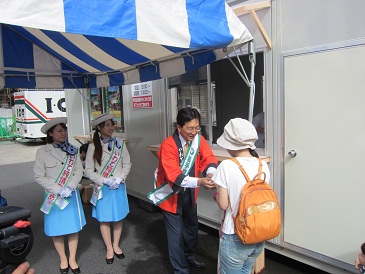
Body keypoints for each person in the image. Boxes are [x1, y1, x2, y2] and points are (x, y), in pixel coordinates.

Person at [153, 107, 218, 274]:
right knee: (175, 234)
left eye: (197, 128)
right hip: (171, 194)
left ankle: (189, 257)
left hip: (190, 192)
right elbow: (174, 176)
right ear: (178, 127)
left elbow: (209, 158)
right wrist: (201, 181)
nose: (194, 132)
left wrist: (210, 174)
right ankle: (180, 269)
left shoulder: (199, 139)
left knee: (191, 226)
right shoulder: (168, 145)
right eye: (190, 128)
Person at [212, 118, 270, 274]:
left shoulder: (227, 165)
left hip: (235, 235)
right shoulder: (261, 164)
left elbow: (223, 204)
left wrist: (217, 193)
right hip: (257, 235)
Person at [34, 117, 86, 274]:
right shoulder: (42, 152)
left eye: (64, 130)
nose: (63, 133)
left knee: (73, 228)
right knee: (56, 229)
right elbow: (38, 176)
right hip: (53, 197)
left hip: (71, 194)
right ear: (51, 134)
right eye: (59, 131)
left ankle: (72, 259)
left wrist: (70, 186)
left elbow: (78, 170)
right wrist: (57, 189)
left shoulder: (73, 149)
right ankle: (63, 259)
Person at [84, 113, 131, 265]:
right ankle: (109, 248)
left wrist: (120, 178)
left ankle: (116, 245)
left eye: (112, 124)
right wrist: (104, 180)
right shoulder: (92, 146)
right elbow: (88, 171)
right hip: (103, 187)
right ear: (99, 127)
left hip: (118, 186)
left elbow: (127, 164)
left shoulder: (119, 143)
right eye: (108, 125)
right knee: (104, 219)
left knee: (118, 217)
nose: (112, 128)